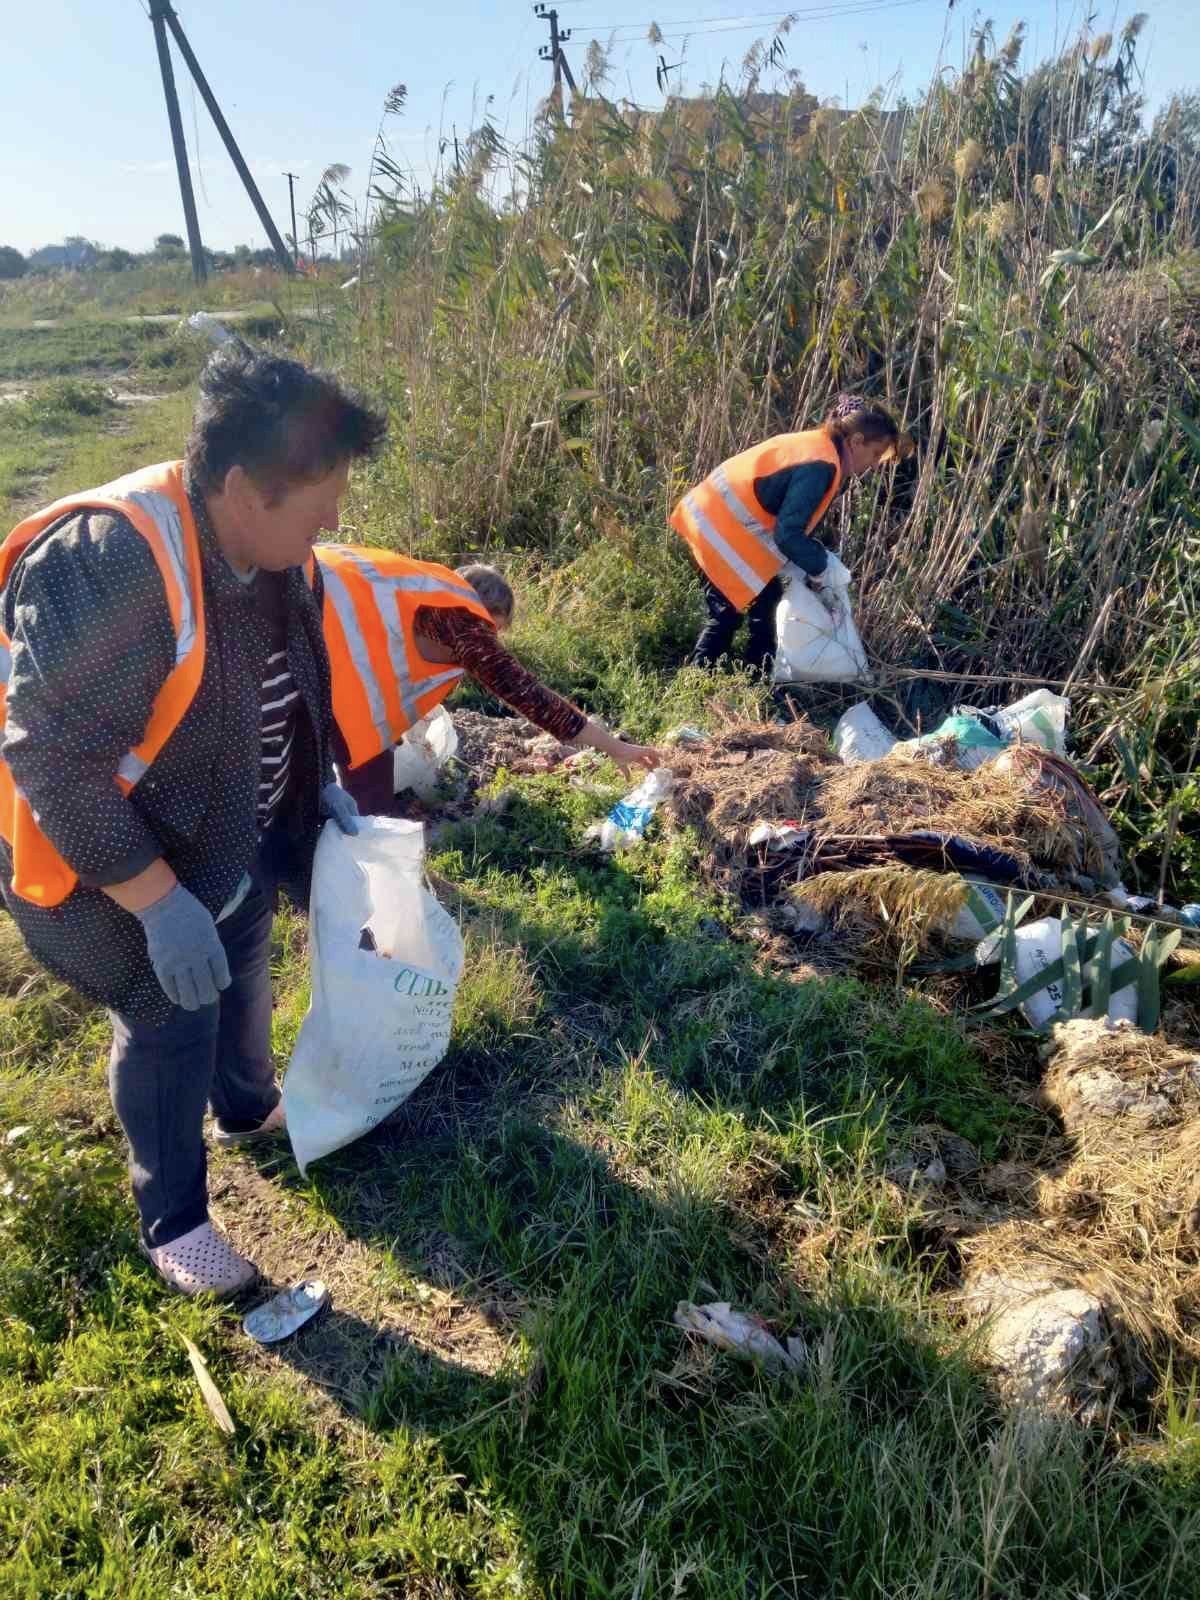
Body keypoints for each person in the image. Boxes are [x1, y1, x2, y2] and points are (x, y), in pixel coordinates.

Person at [0, 348, 386, 1297]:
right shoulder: (113, 561)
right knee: (171, 1008)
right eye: (320, 500)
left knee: (243, 961)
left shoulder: (273, 556)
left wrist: (318, 784)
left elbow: (292, 681)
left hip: (222, 827)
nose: (335, 521)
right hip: (96, 855)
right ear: (246, 488)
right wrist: (155, 899)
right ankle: (175, 1219)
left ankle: (247, 1109)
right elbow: (50, 756)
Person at [316, 547, 662, 815]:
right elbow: (530, 697)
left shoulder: (425, 593)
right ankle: (357, 875)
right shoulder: (463, 620)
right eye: (493, 631)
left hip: (321, 651)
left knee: (357, 786)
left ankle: (342, 861)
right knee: (364, 808)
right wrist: (616, 747)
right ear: (486, 611)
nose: (491, 642)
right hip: (310, 652)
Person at [672, 395, 901, 676]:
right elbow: (788, 534)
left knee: (766, 603)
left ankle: (755, 683)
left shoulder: (819, 447)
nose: (876, 464)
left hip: (718, 521)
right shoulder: (822, 466)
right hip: (720, 529)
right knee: (726, 616)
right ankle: (697, 687)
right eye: (876, 453)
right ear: (856, 441)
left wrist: (810, 563)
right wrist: (820, 567)